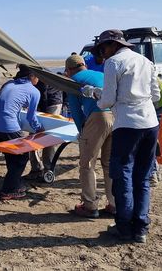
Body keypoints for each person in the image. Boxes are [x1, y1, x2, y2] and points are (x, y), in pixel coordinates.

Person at [84, 29, 160, 243]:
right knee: (142, 178)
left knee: (122, 175)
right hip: (150, 123)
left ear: (112, 45)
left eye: (102, 48)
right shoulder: (145, 61)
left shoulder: (113, 63)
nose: (102, 54)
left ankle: (124, 227)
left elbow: (108, 100)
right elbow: (154, 95)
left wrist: (95, 95)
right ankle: (141, 228)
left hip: (127, 126)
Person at [65, 53, 116, 218]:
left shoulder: (73, 81)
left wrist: (83, 133)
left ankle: (90, 206)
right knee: (109, 163)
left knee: (87, 164)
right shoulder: (100, 74)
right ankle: (114, 204)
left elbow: (75, 110)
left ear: (69, 70)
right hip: (116, 116)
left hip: (98, 117)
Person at [0, 65, 44, 200]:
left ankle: (14, 184)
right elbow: (31, 117)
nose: (38, 80)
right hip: (7, 127)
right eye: (38, 77)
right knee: (21, 157)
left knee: (10, 155)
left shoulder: (9, 83)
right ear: (31, 76)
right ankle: (9, 190)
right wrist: (39, 128)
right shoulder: (34, 91)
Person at [27, 78, 62, 179]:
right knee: (32, 136)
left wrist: (39, 120)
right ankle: (36, 168)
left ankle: (48, 169)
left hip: (52, 103)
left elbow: (44, 96)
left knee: (48, 137)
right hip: (42, 102)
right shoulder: (28, 77)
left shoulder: (39, 79)